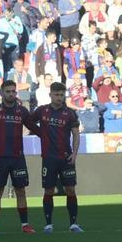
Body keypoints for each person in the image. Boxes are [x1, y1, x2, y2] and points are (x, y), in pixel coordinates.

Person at [0, 79, 38, 234]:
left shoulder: (22, 111)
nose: (11, 94)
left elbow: (33, 127)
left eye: (13, 91)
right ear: (1, 93)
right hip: (0, 157)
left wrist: (47, 136)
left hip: (17, 157)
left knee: (21, 191)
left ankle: (25, 225)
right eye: (7, 91)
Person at [30, 81, 82, 234]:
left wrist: (75, 153)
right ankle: (48, 224)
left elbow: (76, 135)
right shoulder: (42, 111)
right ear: (50, 95)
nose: (59, 97)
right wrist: (41, 133)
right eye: (56, 94)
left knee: (70, 190)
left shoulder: (70, 113)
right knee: (49, 191)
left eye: (61, 95)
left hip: (66, 158)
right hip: (49, 158)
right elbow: (29, 122)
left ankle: (73, 224)